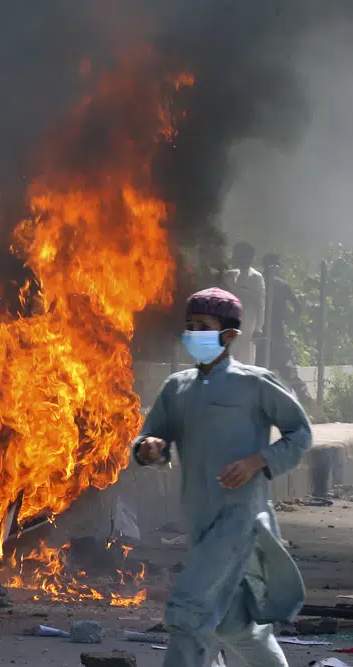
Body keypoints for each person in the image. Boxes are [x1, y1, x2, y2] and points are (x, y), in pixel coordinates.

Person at [133, 287, 312, 667]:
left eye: (203, 326)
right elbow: (153, 437)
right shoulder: (177, 388)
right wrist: (150, 448)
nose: (193, 334)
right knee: (235, 627)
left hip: (241, 518)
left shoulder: (255, 383)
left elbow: (301, 433)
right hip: (199, 519)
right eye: (190, 326)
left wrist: (258, 461)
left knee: (187, 611)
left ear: (229, 336)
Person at [257, 253, 313, 404]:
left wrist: (289, 319)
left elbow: (297, 307)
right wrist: (291, 319)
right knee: (284, 367)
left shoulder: (259, 281)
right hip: (268, 331)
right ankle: (303, 398)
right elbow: (298, 308)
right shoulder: (275, 284)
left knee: (265, 367)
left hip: (263, 330)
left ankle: (304, 399)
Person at [222, 242, 266, 365]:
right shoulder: (231, 275)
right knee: (228, 360)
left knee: (246, 362)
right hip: (230, 325)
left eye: (241, 256)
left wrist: (258, 328)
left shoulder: (256, 278)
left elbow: (260, 304)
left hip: (248, 327)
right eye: (237, 255)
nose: (238, 258)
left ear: (250, 258)